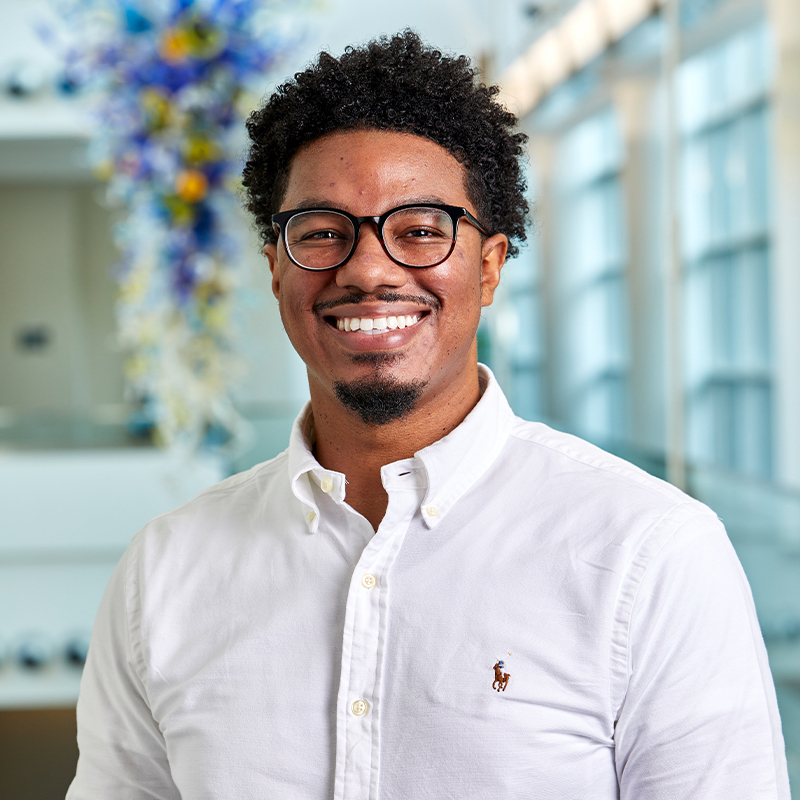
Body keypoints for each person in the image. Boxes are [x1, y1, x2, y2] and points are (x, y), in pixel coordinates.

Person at [68, 30, 790, 799]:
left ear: (489, 266)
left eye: (419, 230)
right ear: (276, 266)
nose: (369, 268)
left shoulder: (648, 553)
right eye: (321, 232)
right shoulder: (167, 570)